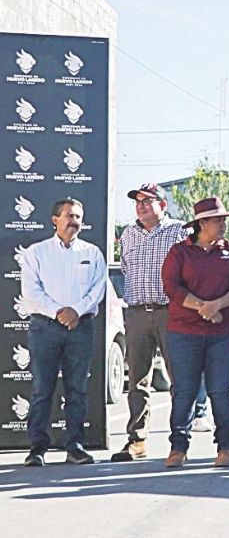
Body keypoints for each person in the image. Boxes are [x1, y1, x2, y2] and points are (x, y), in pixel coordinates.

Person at [111, 184, 198, 462]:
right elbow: (125, 268)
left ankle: (179, 440)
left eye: (148, 201)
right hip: (136, 313)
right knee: (137, 379)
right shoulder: (128, 234)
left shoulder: (179, 232)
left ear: (163, 204)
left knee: (178, 378)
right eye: (137, 201)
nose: (141, 206)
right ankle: (137, 440)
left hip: (170, 311)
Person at [161, 197, 229, 468]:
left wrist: (217, 306)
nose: (223, 224)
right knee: (184, 390)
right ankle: (178, 446)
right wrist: (201, 307)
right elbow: (171, 287)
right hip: (184, 332)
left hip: (222, 333)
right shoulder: (180, 252)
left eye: (224, 219)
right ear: (201, 223)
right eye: (217, 219)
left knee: (220, 389)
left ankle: (226, 446)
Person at [20, 198, 106, 467]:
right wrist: (60, 312)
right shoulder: (36, 252)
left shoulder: (92, 253)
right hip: (45, 327)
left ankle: (75, 446)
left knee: (77, 390)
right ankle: (37, 448)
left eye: (78, 216)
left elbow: (97, 290)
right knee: (42, 389)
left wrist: (76, 312)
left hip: (80, 327)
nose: (74, 221)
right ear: (54, 220)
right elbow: (31, 292)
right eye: (69, 216)